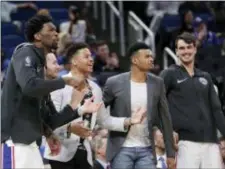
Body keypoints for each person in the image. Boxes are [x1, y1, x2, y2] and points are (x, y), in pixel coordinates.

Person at [1, 15, 102, 169]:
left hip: (32, 144)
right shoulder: (25, 51)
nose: (56, 33)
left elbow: (51, 121)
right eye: (51, 30)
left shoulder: (42, 80)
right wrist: (64, 81)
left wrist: (76, 106)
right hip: (15, 142)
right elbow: (29, 86)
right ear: (37, 36)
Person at [44, 43, 146, 169]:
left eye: (91, 56)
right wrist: (69, 128)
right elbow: (49, 122)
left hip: (85, 153)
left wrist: (130, 120)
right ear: (74, 61)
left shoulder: (95, 88)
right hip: (60, 153)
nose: (91, 59)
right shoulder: (58, 85)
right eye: (86, 56)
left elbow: (104, 120)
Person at [103, 42, 176, 169]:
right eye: (147, 56)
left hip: (147, 149)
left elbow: (165, 119)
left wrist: (170, 153)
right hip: (121, 148)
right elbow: (100, 114)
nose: (151, 59)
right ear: (135, 60)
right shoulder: (114, 83)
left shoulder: (157, 83)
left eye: (151, 56)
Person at [160, 32, 225, 168]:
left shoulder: (205, 77)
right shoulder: (169, 74)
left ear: (195, 49)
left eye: (189, 47)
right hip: (185, 142)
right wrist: (167, 131)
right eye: (182, 48)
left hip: (211, 141)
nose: (186, 51)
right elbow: (157, 105)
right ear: (176, 51)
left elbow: (216, 109)